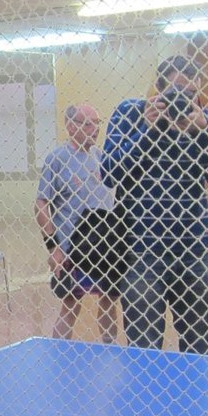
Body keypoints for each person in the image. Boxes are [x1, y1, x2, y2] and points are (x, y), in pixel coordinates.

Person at [101, 55, 208, 352]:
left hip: (193, 250)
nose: (183, 100)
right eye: (177, 91)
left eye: (191, 93)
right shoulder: (131, 113)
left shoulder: (202, 119)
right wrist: (149, 130)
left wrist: (201, 132)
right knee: (144, 349)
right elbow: (109, 173)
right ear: (159, 89)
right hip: (142, 250)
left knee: (200, 347)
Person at [35, 103, 124, 344]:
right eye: (88, 123)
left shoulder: (102, 158)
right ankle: (60, 354)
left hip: (105, 248)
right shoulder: (57, 159)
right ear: (71, 126)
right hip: (73, 249)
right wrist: (53, 247)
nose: (95, 129)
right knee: (71, 304)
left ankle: (110, 351)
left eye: (97, 123)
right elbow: (41, 204)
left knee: (109, 301)